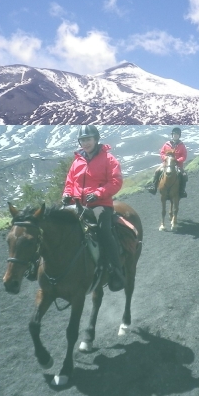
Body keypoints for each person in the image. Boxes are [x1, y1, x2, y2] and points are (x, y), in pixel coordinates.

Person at [62, 125, 125, 292]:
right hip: (77, 204)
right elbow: (70, 182)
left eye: (88, 139)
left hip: (100, 204)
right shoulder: (77, 161)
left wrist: (98, 193)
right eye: (82, 140)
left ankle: (116, 271)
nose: (85, 143)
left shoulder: (109, 159)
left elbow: (116, 182)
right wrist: (67, 194)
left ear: (96, 139)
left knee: (104, 230)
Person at [148, 127, 188, 198]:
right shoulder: (167, 144)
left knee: (184, 175)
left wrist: (177, 160)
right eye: (174, 134)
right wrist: (165, 158)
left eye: (177, 134)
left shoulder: (182, 145)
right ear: (172, 135)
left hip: (178, 164)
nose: (175, 135)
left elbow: (184, 156)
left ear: (179, 136)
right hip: (167, 164)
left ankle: (182, 191)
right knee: (157, 171)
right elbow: (162, 153)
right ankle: (154, 187)